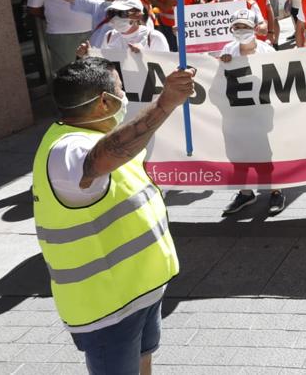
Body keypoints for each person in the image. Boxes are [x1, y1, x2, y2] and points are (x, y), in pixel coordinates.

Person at [35, 58, 193, 374]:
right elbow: (97, 162)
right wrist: (165, 104)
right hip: (108, 307)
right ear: (105, 102)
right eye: (121, 89)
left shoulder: (95, 135)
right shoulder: (65, 150)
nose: (125, 96)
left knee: (143, 360)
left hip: (140, 290)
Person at [218, 10, 285, 217]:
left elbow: (279, 79)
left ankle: (275, 191)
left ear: (255, 28)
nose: (241, 30)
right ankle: (245, 193)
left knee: (265, 155)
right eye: (237, 27)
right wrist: (222, 63)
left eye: (245, 26)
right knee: (238, 155)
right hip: (235, 113)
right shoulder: (228, 49)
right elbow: (218, 78)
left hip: (261, 113)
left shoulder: (267, 51)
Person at [98, 0, 169, 53]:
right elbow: (103, 64)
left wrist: (144, 55)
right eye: (112, 13)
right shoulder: (109, 36)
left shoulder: (154, 37)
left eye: (122, 13)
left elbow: (166, 64)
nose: (116, 17)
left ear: (138, 15)